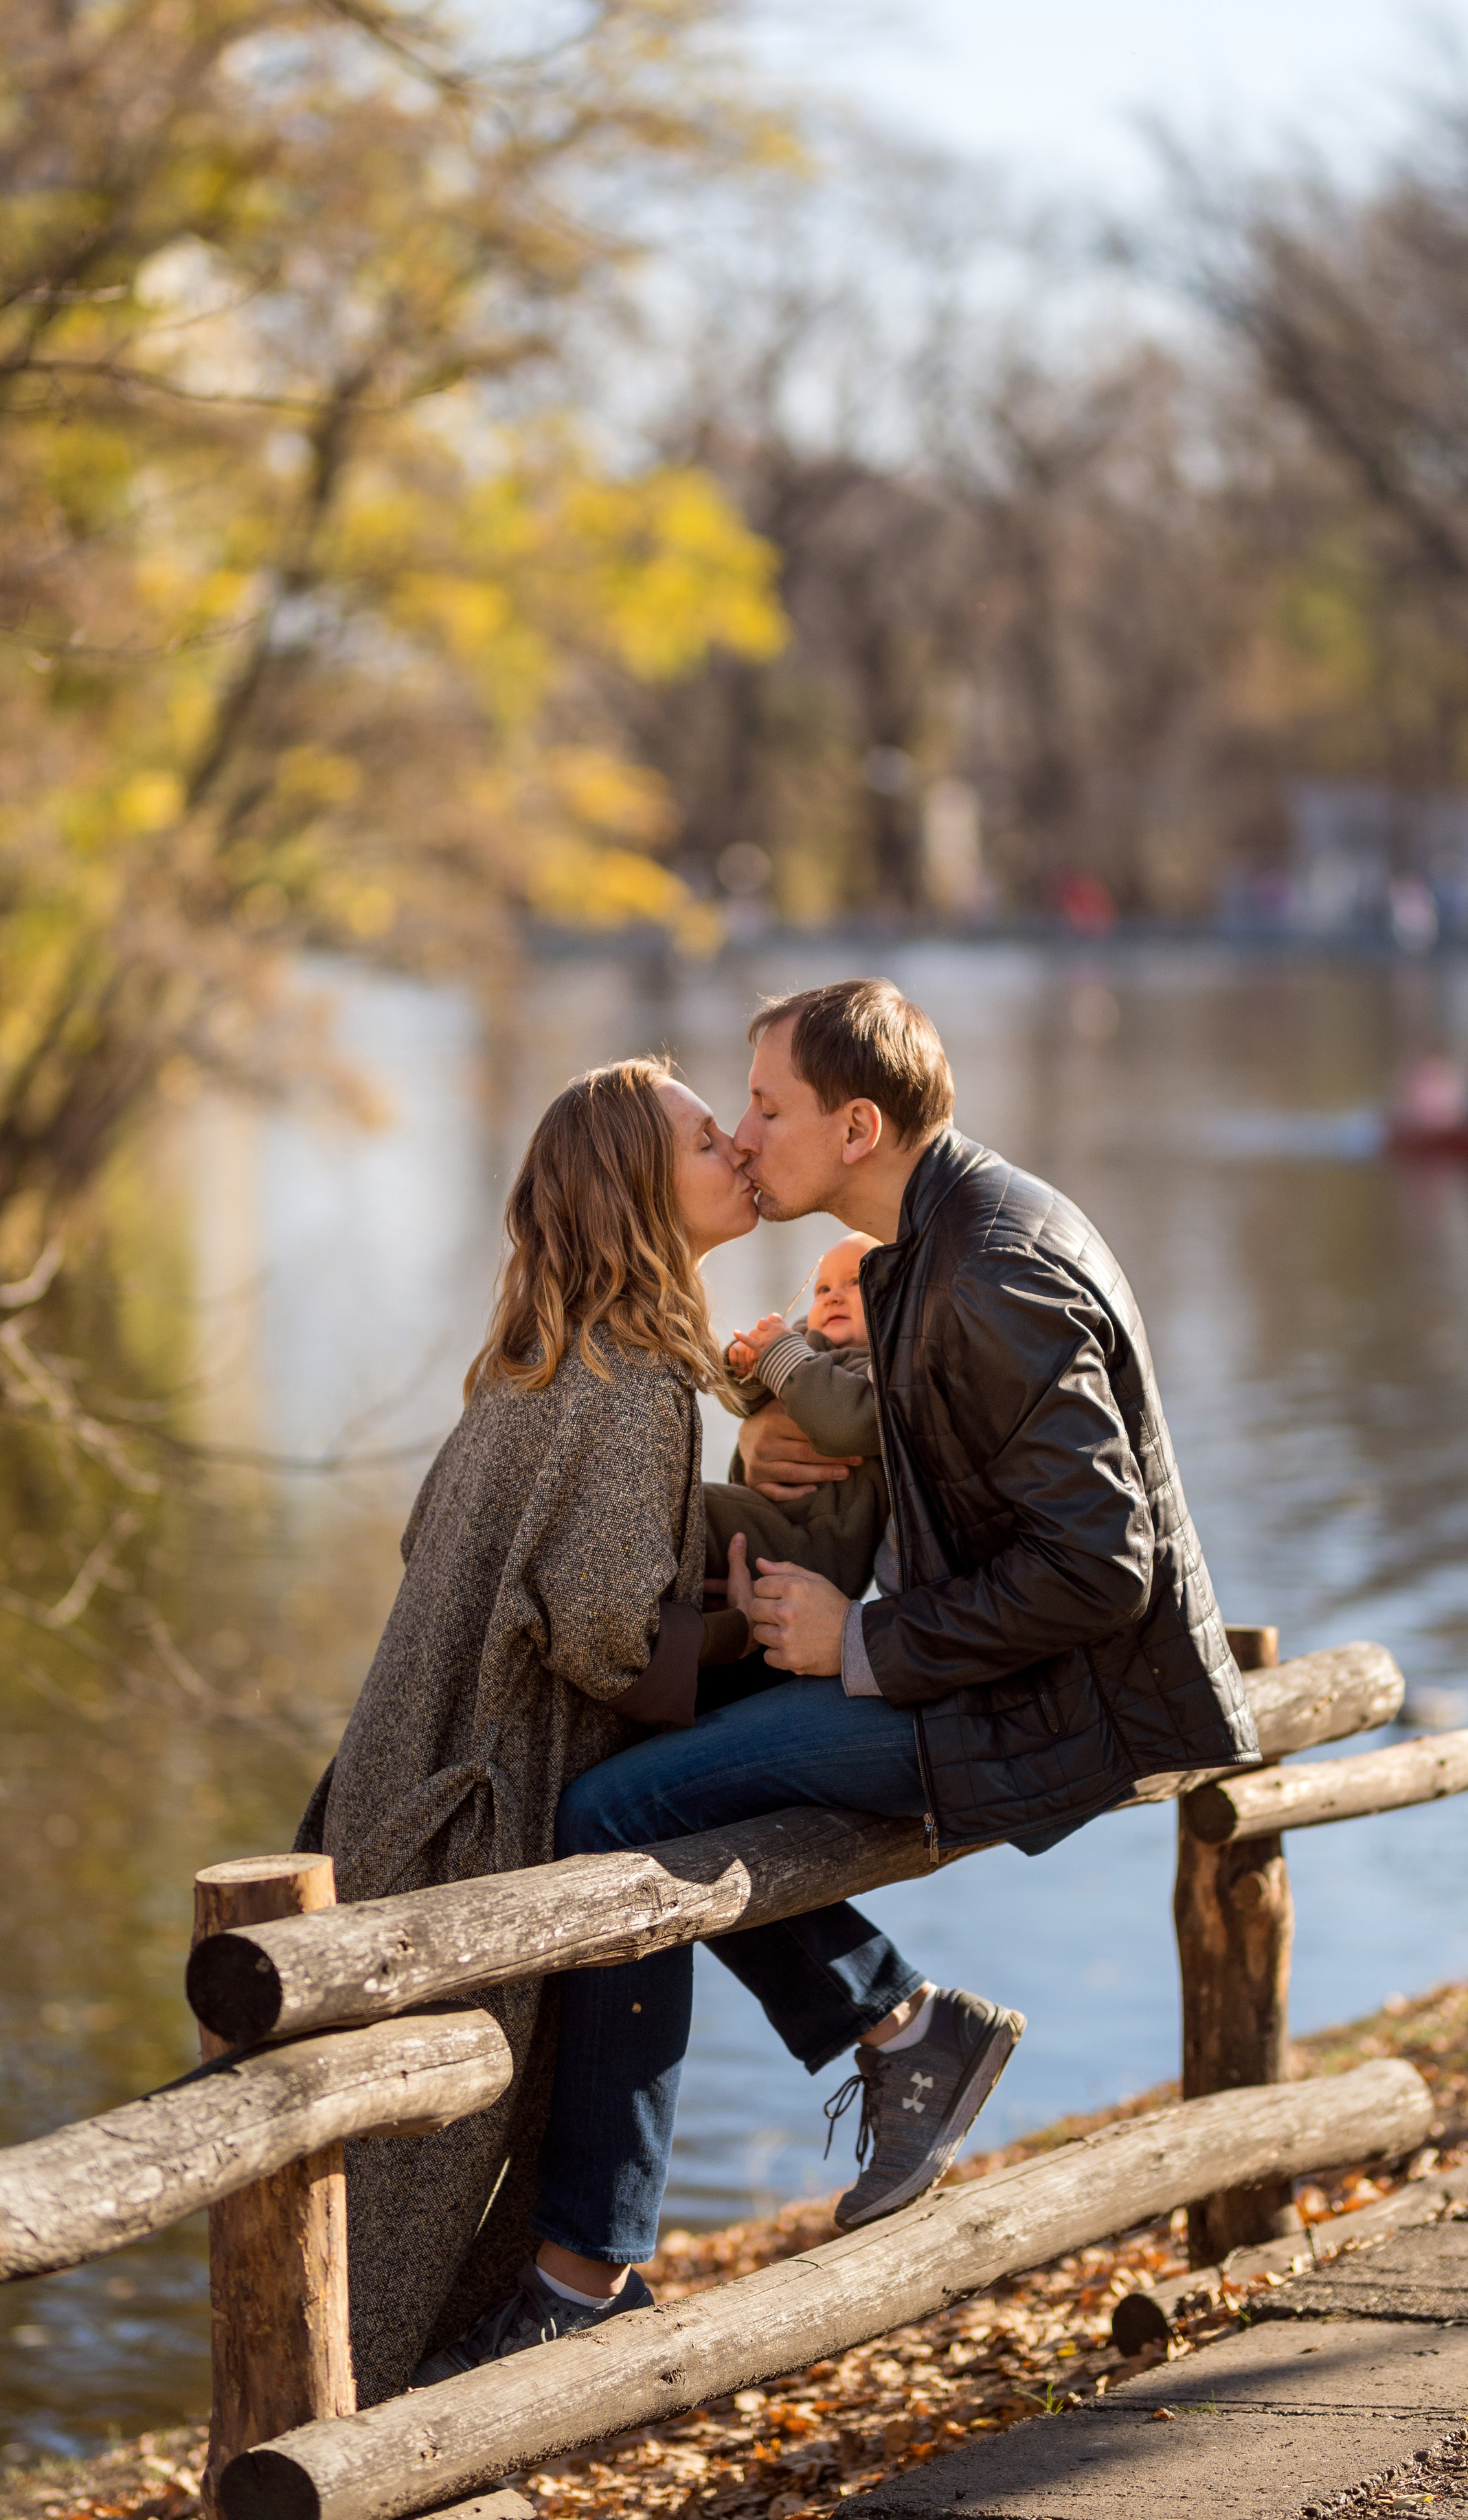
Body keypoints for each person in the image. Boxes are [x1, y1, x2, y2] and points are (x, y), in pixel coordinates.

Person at [430, 977, 1256, 2379]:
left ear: (855, 1122)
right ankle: (892, 2030)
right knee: (651, 1762)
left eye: (765, 1106)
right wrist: (778, 1485)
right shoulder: (938, 1243)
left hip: (1038, 1711)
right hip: (986, 1679)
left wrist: (859, 1643)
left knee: (610, 1814)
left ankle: (588, 2266)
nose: (745, 1137)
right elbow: (944, 1485)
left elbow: (1099, 1567)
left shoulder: (991, 1268)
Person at [296, 1056, 764, 2405]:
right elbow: (605, 1636)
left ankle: (354, 2441)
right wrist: (739, 1628)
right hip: (479, 1820)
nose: (733, 1142)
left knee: (389, 2179)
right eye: (699, 1135)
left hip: (393, 1795)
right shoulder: (631, 1388)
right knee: (420, 2194)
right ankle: (350, 2461)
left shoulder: (525, 1370)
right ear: (634, 1187)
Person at [702, 1231, 888, 1606]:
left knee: (685, 1509)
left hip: (817, 1549)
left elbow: (842, 1419)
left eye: (856, 1281)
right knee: (676, 1504)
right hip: (774, 1519)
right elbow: (741, 1403)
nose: (834, 1296)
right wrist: (746, 1365)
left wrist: (782, 1356)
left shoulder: (881, 1374)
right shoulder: (805, 1349)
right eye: (822, 1289)